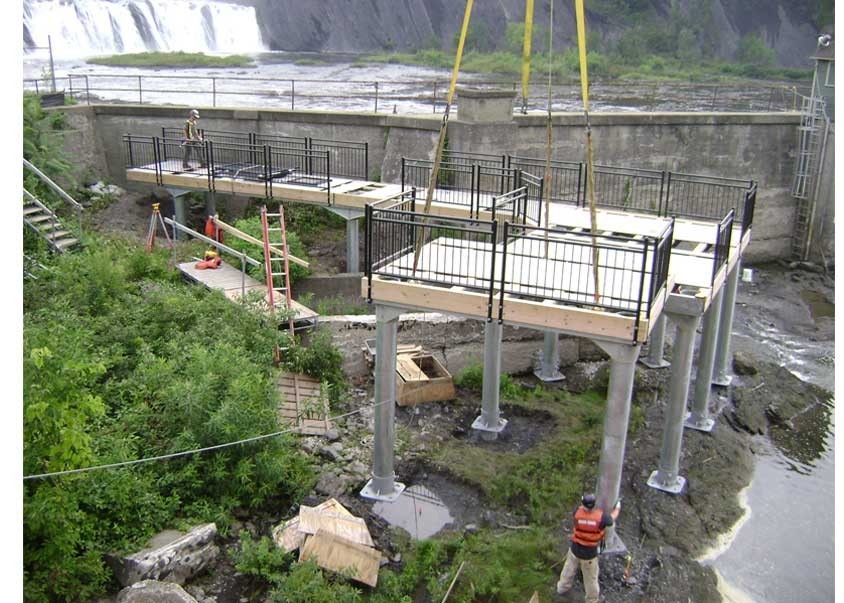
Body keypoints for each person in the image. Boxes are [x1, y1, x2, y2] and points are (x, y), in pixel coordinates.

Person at [556, 493, 620, 603]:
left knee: (568, 570)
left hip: (575, 549)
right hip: (589, 554)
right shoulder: (601, 518)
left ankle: (562, 588)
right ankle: (592, 600)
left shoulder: (577, 513)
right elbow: (611, 519)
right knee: (590, 579)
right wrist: (617, 508)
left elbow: (580, 511)